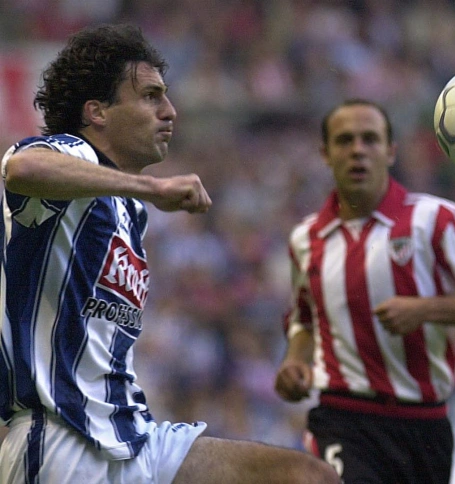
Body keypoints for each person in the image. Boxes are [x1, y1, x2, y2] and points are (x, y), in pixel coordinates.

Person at [0, 24, 339, 484]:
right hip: (61, 441)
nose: (170, 111)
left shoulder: (128, 211)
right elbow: (21, 167)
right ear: (97, 112)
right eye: (150, 97)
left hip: (131, 436)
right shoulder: (73, 154)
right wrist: (153, 186)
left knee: (305, 476)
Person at [274, 98, 455, 483]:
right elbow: (304, 319)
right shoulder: (307, 238)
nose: (357, 150)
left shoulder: (436, 220)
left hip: (425, 424)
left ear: (390, 151)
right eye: (345, 140)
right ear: (326, 154)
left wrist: (425, 309)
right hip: (343, 417)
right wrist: (294, 362)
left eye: (370, 139)